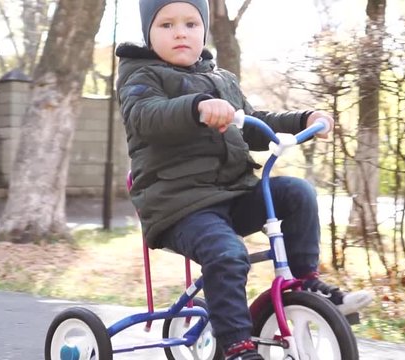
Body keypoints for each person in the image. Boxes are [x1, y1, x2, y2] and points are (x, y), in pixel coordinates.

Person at [116, 1, 373, 359]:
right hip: (178, 205)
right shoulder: (140, 77)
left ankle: (305, 284)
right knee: (227, 253)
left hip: (234, 194)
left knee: (296, 192)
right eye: (166, 25)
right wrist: (196, 107)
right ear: (148, 34)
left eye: (191, 23)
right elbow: (146, 116)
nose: (180, 32)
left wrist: (302, 120)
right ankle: (238, 347)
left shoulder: (222, 80)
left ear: (203, 30)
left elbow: (253, 125)